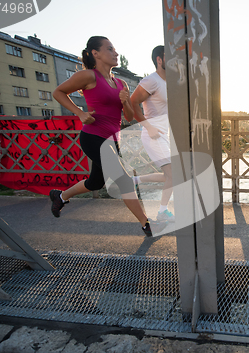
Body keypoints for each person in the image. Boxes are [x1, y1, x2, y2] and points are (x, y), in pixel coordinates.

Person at [50, 36, 153, 237]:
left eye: (115, 49)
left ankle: (60, 196)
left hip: (114, 140)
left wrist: (125, 102)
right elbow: (58, 92)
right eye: (110, 49)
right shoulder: (88, 76)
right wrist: (80, 113)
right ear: (95, 53)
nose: (115, 53)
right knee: (123, 180)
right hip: (93, 137)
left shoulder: (121, 82)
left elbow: (129, 117)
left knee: (95, 183)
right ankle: (146, 224)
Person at [131, 45, 174, 222]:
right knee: (174, 174)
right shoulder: (151, 80)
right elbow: (132, 103)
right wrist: (148, 127)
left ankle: (135, 180)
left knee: (170, 174)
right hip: (153, 134)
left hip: (165, 134)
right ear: (159, 59)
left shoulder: (168, 82)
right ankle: (162, 212)